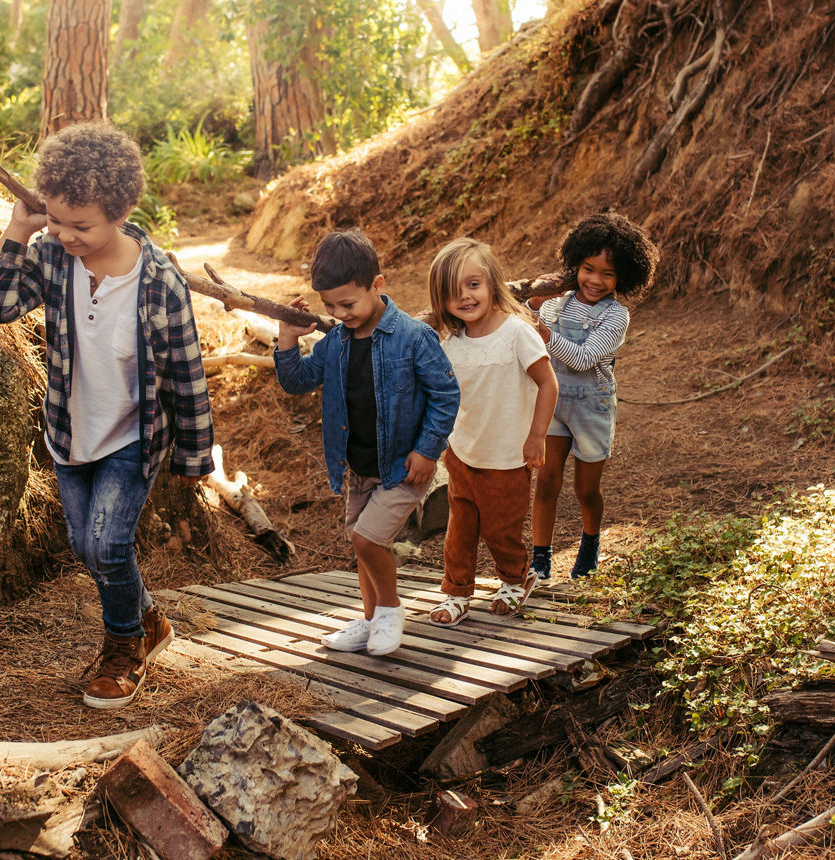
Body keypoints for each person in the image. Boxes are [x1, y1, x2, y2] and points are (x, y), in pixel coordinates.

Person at [0, 122, 214, 709]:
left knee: (106, 545)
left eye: (81, 225)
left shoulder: (159, 281)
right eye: (57, 221)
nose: (67, 235)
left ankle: (123, 649)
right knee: (87, 545)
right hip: (70, 431)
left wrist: (194, 456)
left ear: (121, 210)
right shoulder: (53, 259)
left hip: (134, 437)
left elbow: (186, 371)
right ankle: (150, 618)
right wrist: (20, 230)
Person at [275, 230, 459, 656]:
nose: (339, 314)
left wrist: (428, 449)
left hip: (403, 466)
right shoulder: (335, 343)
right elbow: (297, 381)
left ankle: (391, 611)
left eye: (348, 304)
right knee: (362, 544)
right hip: (359, 468)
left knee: (366, 540)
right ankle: (372, 618)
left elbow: (446, 395)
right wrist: (288, 337)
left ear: (377, 285)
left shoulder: (413, 337)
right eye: (329, 307)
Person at [425, 238, 558, 627]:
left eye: (473, 284)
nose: (464, 297)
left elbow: (548, 384)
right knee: (460, 529)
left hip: (507, 455)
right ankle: (456, 591)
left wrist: (537, 436)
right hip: (463, 453)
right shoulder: (450, 343)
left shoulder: (517, 332)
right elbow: (445, 397)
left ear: (492, 283)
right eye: (452, 291)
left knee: (501, 528)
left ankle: (517, 577)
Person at [528, 213, 659, 580]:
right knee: (546, 482)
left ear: (624, 278)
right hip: (552, 400)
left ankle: (589, 543)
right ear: (574, 266)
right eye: (588, 269)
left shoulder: (617, 316)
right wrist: (535, 300)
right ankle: (540, 557)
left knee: (586, 489)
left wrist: (541, 329)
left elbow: (584, 358)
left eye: (608, 273)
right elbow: (526, 320)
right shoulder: (557, 303)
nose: (596, 280)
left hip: (592, 406)